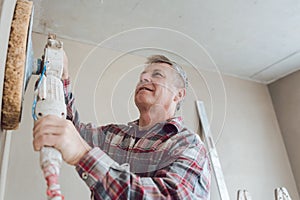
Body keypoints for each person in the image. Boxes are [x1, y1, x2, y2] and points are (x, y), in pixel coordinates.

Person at [33, 54, 211, 199]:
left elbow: (170, 196)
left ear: (178, 95)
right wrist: (62, 78)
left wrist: (83, 155)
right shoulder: (115, 136)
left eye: (157, 75)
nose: (144, 78)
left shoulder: (188, 144)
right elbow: (70, 131)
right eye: (143, 75)